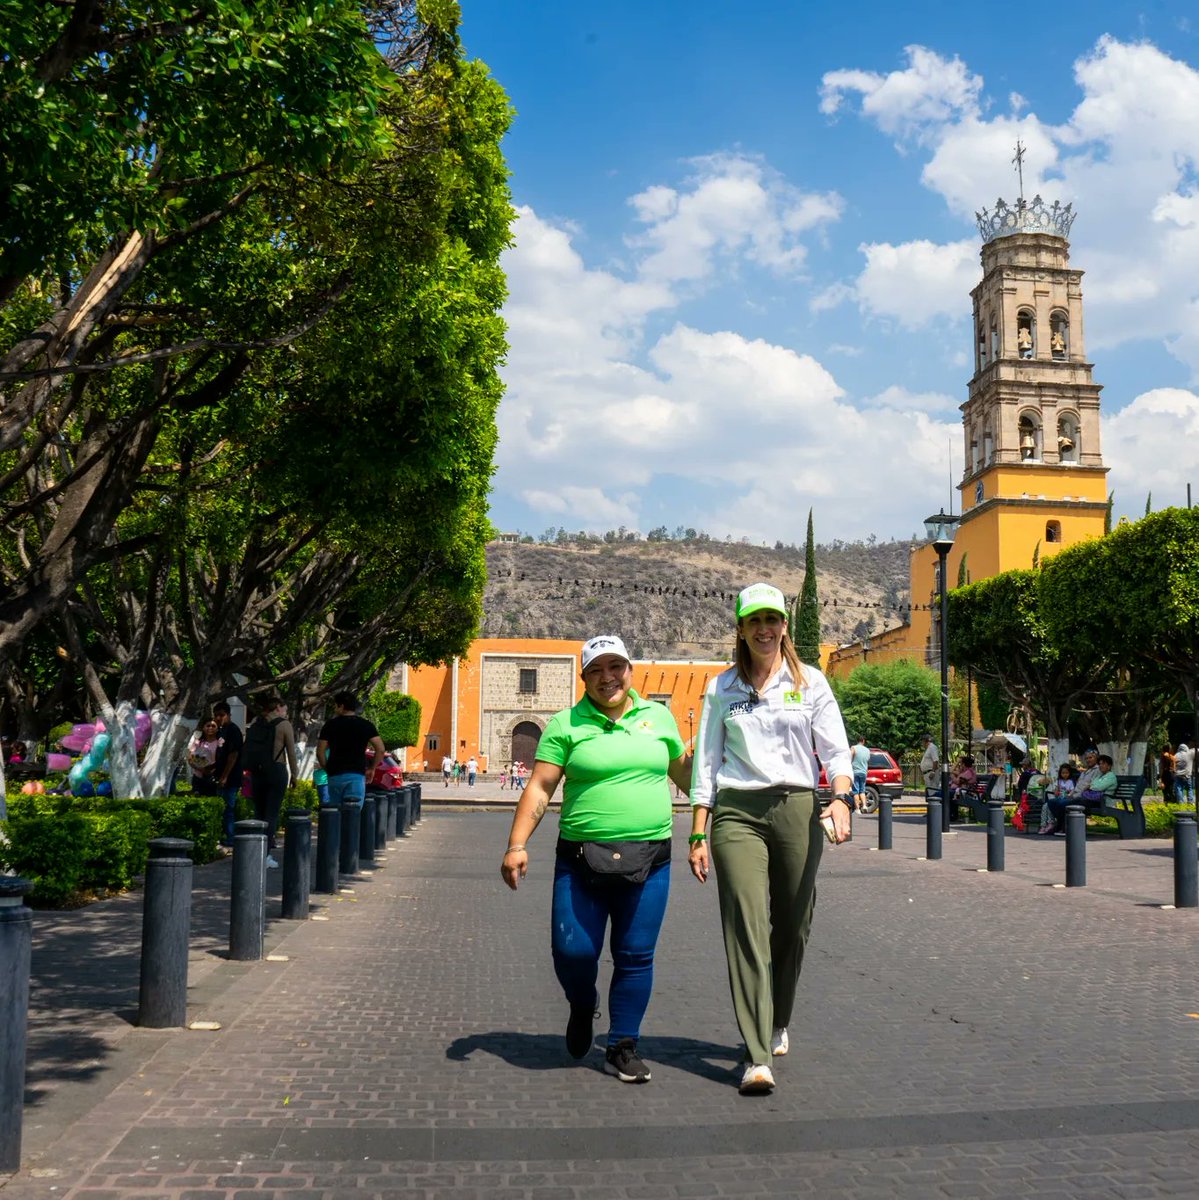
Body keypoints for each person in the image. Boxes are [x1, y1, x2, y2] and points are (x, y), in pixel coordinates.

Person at [501, 634, 690, 1085]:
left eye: (616, 667)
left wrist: (716, 808)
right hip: (581, 860)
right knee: (572, 951)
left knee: (635, 955)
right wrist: (516, 844)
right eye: (596, 670)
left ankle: (622, 1046)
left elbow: (687, 773)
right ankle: (582, 1003)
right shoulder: (566, 724)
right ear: (584, 677)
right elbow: (541, 787)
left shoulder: (658, 717)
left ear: (630, 669)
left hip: (652, 860)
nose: (608, 678)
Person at [688, 583, 853, 1095]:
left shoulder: (812, 683)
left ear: (785, 627)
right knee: (747, 924)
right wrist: (698, 829)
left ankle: (779, 1017)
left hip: (799, 810)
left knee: (793, 924)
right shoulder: (721, 689)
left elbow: (837, 751)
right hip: (738, 813)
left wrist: (842, 798)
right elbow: (707, 764)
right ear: (739, 628)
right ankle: (757, 1056)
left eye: (773, 619)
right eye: (754, 620)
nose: (765, 629)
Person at [245, 695, 298, 868]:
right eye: (284, 709)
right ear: (277, 708)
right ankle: (266, 855)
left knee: (259, 812)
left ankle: (254, 852)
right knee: (271, 814)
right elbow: (291, 753)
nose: (285, 713)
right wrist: (295, 776)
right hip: (276, 770)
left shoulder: (256, 723)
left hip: (257, 772)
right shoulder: (284, 725)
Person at [316, 693, 386, 809]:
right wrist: (372, 768)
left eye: (335, 705)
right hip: (356, 774)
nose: (334, 708)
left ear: (341, 706)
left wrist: (326, 768)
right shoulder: (366, 725)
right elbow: (381, 749)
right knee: (353, 812)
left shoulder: (330, 725)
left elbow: (320, 752)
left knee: (335, 813)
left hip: (335, 774)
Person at [212, 701, 244, 847]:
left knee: (229, 809)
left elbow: (233, 755)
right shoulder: (220, 731)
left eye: (222, 715)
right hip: (219, 776)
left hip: (231, 778)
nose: (219, 718)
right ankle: (223, 835)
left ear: (229, 715)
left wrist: (225, 776)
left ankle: (231, 838)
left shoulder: (233, 730)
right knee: (221, 809)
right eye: (216, 715)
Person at [187, 719, 221, 795]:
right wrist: (200, 769)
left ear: (217, 728)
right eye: (208, 726)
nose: (210, 728)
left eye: (213, 726)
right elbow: (189, 758)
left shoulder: (219, 743)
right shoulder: (197, 742)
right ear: (203, 728)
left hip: (213, 777)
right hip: (197, 777)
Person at [849, 735, 870, 813]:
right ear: (863, 741)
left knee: (855, 791)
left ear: (857, 741)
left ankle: (857, 809)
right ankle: (864, 805)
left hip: (855, 772)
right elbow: (867, 761)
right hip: (864, 772)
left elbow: (849, 757)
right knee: (862, 791)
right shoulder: (867, 750)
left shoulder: (853, 748)